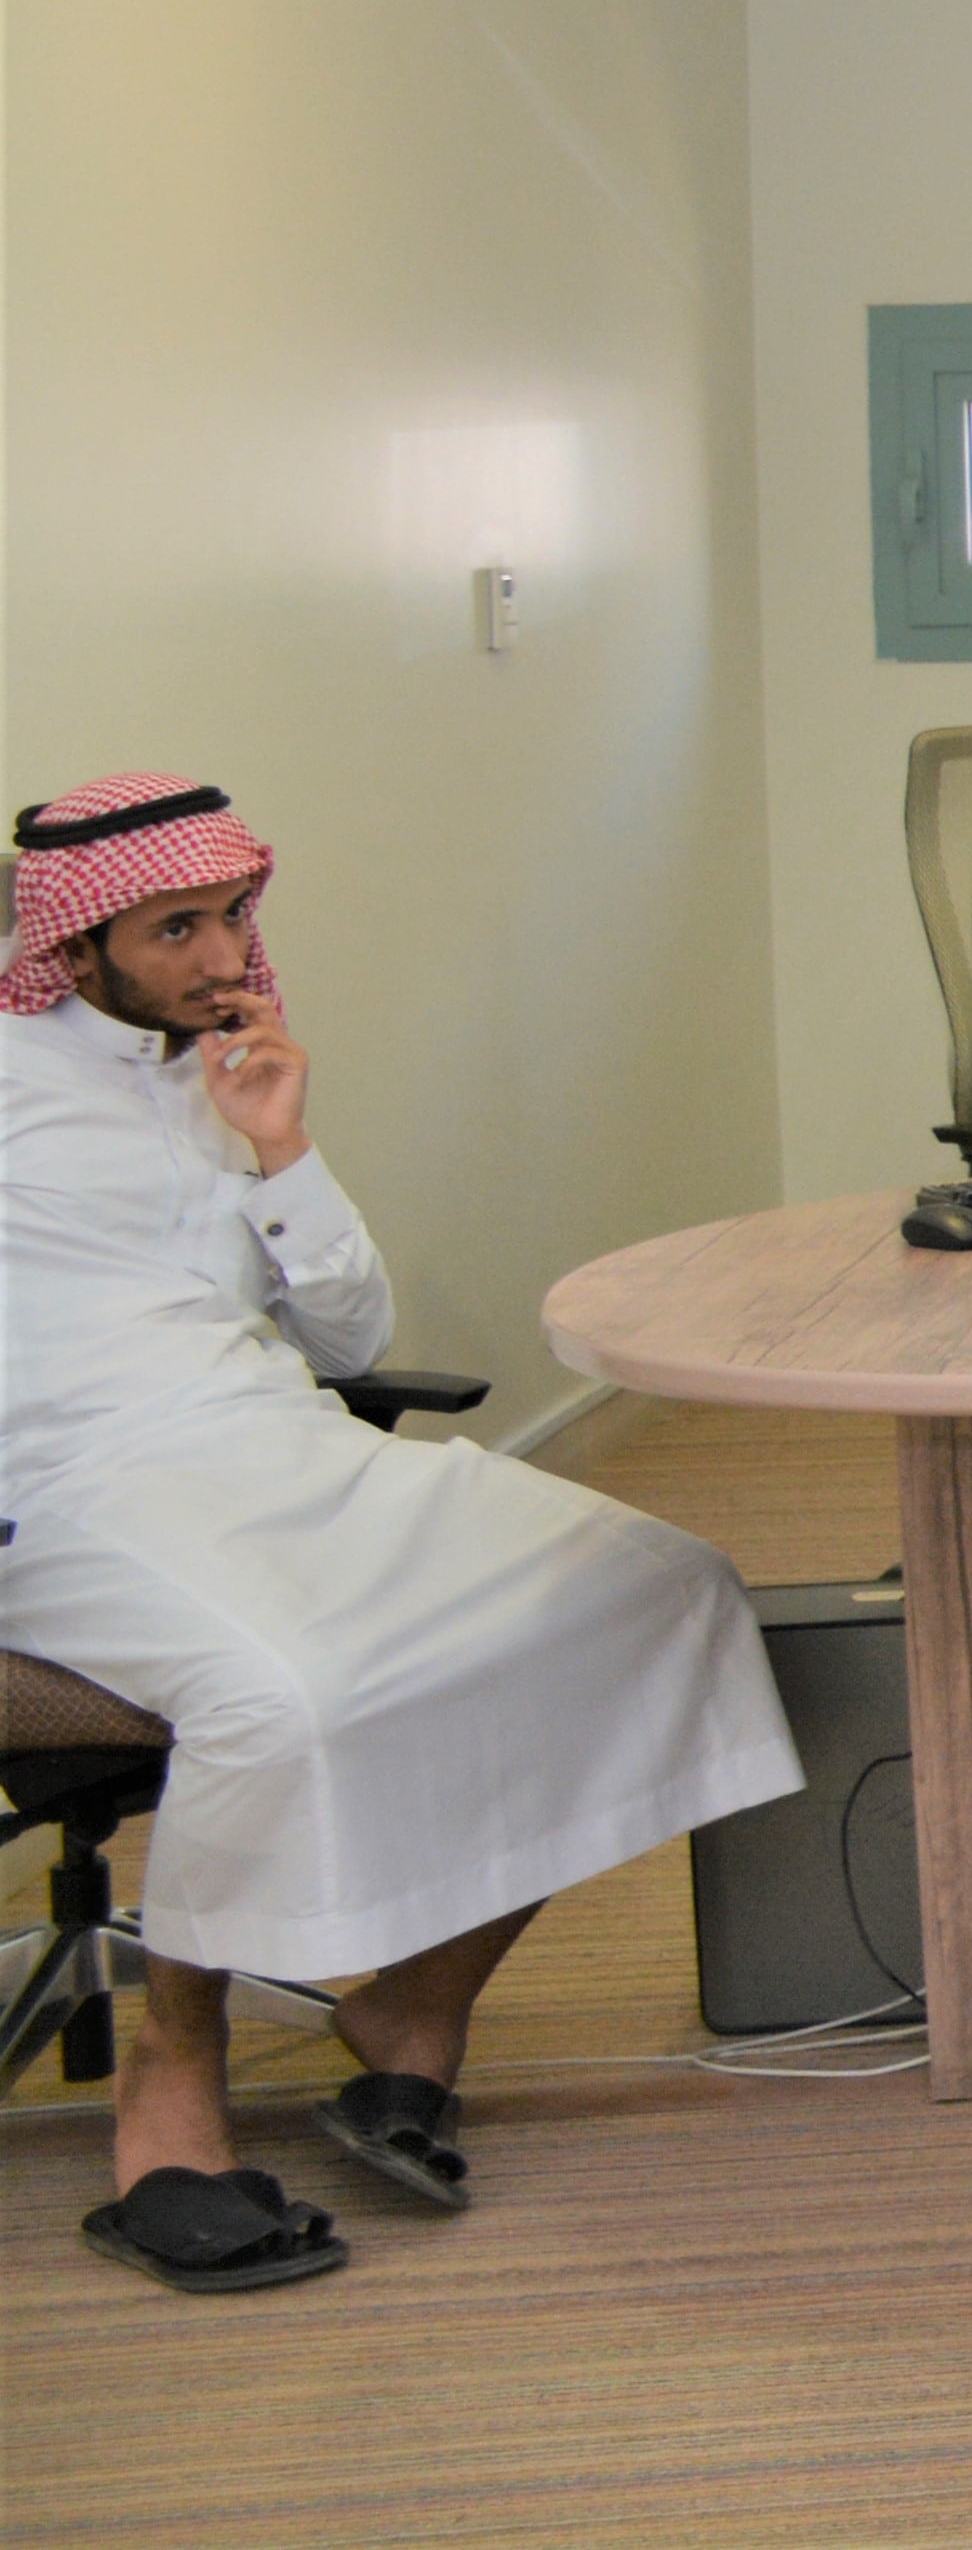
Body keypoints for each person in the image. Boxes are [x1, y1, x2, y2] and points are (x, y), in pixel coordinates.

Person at [0, 775, 804, 2294]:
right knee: (279, 1697)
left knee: (656, 1590)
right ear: (73, 940)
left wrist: (281, 1146)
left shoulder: (228, 1075)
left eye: (232, 916)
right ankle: (173, 2076)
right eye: (174, 929)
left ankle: (415, 2010)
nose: (219, 956)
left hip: (282, 1448)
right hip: (72, 1491)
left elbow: (353, 1335)